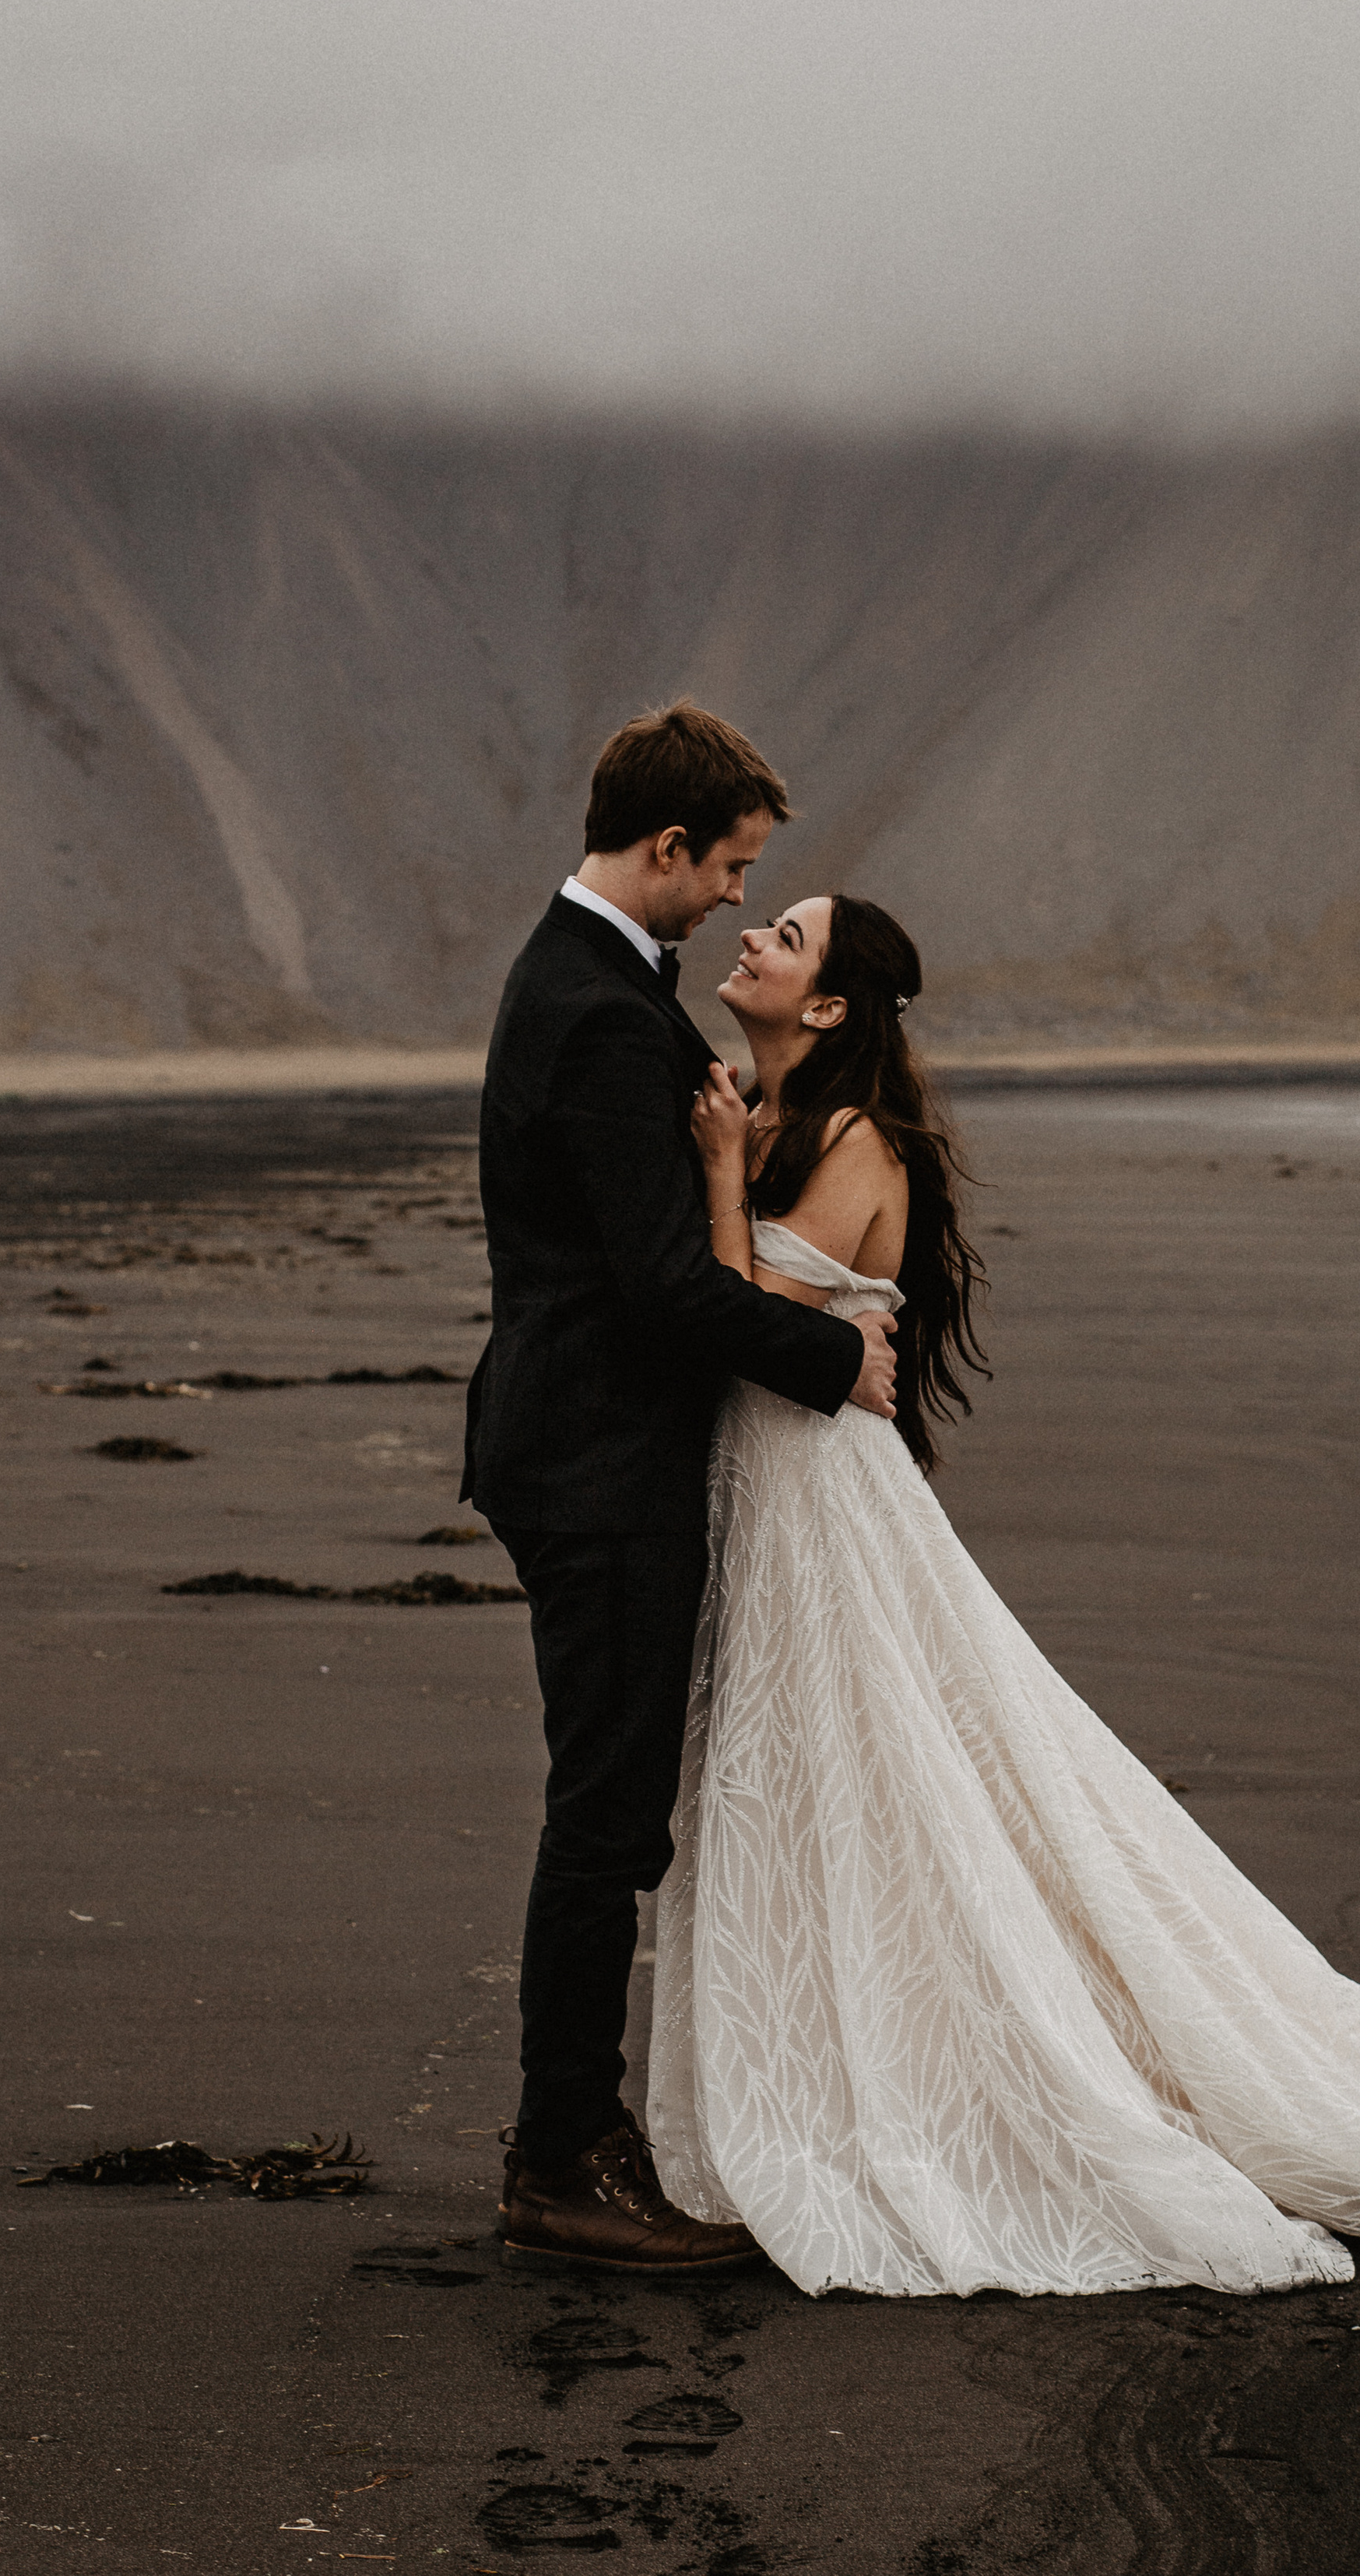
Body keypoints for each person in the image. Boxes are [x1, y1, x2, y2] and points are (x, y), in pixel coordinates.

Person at [648, 890, 1360, 2297]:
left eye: (784, 938)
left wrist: (725, 1179)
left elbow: (753, 1331)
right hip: (772, 1504)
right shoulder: (775, 1119)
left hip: (827, 1512)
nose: (753, 945)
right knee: (802, 1786)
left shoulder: (854, 1143)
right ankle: (815, 2060)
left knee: (900, 1782)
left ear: (834, 1005)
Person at [461, 705, 898, 2272]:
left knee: (610, 1805)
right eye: (726, 866)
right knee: (605, 1817)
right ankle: (561, 2158)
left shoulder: (592, 983)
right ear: (661, 848)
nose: (731, 895)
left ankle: (581, 2139)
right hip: (595, 1458)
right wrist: (826, 1358)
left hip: (584, 1444)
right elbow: (650, 1288)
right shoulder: (588, 1008)